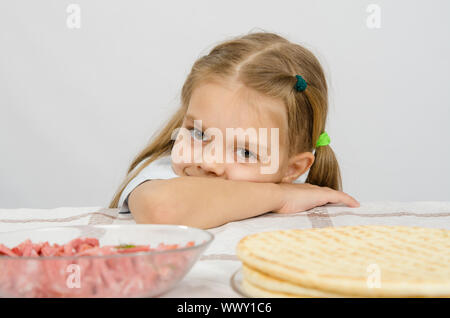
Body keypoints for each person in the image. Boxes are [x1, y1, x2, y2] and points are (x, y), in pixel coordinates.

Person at [109, 31, 360, 229]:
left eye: (245, 152)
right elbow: (162, 210)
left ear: (292, 169)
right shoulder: (167, 176)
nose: (209, 162)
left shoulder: (307, 202)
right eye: (198, 134)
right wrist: (280, 195)